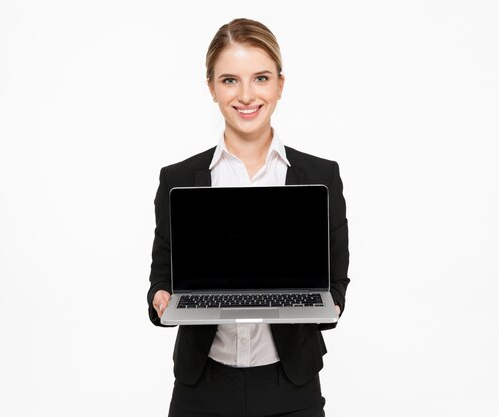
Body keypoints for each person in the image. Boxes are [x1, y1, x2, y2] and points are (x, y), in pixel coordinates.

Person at [147, 18, 350, 417]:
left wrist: (329, 304)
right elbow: (162, 273)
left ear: (279, 84)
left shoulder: (319, 176)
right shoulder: (179, 180)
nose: (245, 95)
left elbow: (336, 281)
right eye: (229, 80)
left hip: (290, 385)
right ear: (211, 87)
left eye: (260, 78)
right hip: (202, 386)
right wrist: (160, 296)